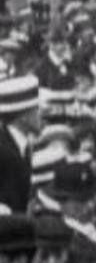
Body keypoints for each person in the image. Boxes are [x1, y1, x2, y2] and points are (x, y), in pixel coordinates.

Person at [0, 75, 40, 213]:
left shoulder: (18, 145)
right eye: (36, 109)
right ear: (24, 117)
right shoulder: (7, 155)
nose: (42, 114)